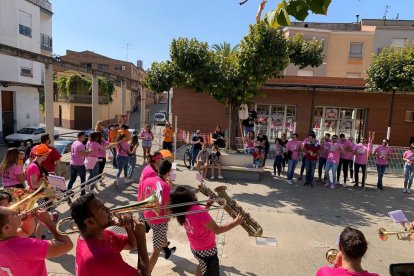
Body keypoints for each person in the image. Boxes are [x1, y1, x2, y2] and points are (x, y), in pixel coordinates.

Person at [170, 186, 243, 276]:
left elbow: (199, 220)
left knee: (201, 265)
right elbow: (217, 230)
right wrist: (235, 223)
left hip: (195, 248)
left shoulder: (182, 211)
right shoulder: (198, 211)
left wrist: (208, 205)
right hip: (207, 250)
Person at [70, 194, 149, 276]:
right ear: (90, 222)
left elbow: (132, 245)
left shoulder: (100, 235)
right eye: (102, 209)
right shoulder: (100, 257)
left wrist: (128, 228)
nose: (108, 209)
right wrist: (141, 236)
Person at [0, 206, 73, 276]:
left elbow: (25, 231)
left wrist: (28, 220)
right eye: (14, 214)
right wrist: (48, 221)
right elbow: (67, 244)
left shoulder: (6, 238)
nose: (17, 212)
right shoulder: (26, 246)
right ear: (6, 227)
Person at [138, 160, 176, 272]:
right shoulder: (165, 186)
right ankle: (146, 272)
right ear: (169, 172)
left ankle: (166, 247)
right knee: (156, 251)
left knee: (161, 236)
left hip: (147, 215)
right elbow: (167, 207)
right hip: (159, 221)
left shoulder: (147, 180)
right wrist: (169, 217)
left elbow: (140, 198)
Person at [67, 132, 90, 196]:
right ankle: (82, 192)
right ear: (81, 136)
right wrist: (89, 151)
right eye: (84, 136)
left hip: (72, 163)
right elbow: (83, 154)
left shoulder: (74, 142)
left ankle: (68, 190)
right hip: (80, 164)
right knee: (83, 179)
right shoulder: (81, 145)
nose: (85, 138)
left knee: (72, 179)